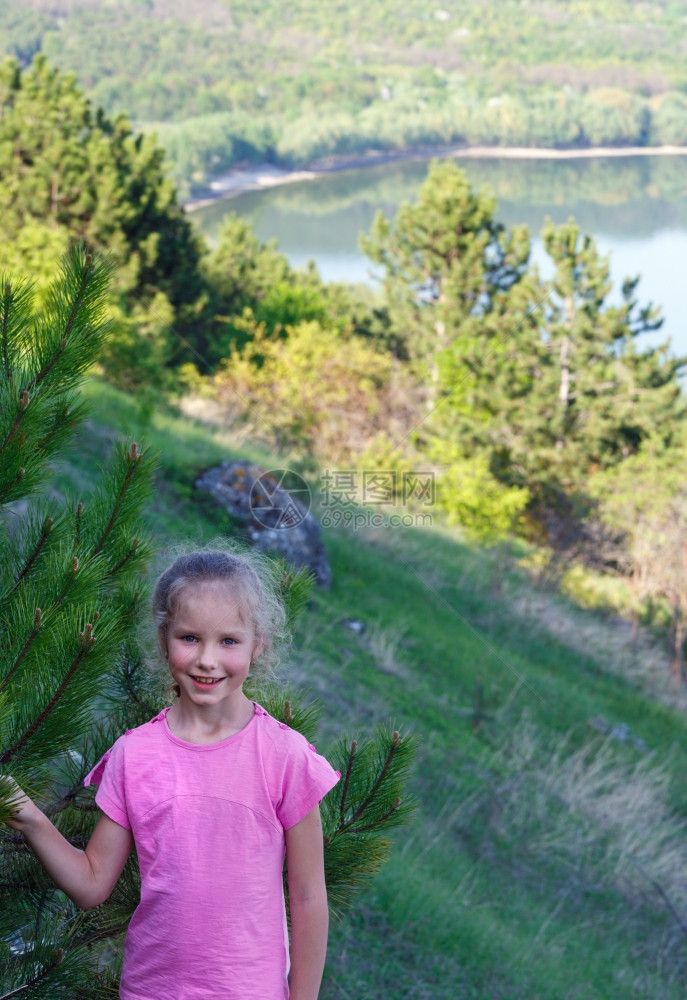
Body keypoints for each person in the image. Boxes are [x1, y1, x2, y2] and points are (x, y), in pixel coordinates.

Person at [4, 548, 340, 1000]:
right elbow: (90, 884)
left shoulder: (285, 756)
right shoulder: (134, 754)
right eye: (189, 638)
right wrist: (26, 815)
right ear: (164, 639)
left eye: (228, 641)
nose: (206, 660)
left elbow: (307, 898)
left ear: (258, 643)